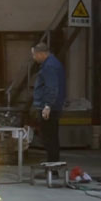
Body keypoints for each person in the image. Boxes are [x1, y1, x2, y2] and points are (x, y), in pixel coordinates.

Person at [31, 42, 66, 175]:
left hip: (49, 108)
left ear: (41, 54)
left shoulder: (49, 66)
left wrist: (47, 105)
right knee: (52, 138)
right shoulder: (54, 63)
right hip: (53, 106)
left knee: (49, 139)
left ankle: (52, 171)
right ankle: (52, 169)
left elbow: (52, 87)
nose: (34, 58)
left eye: (35, 55)